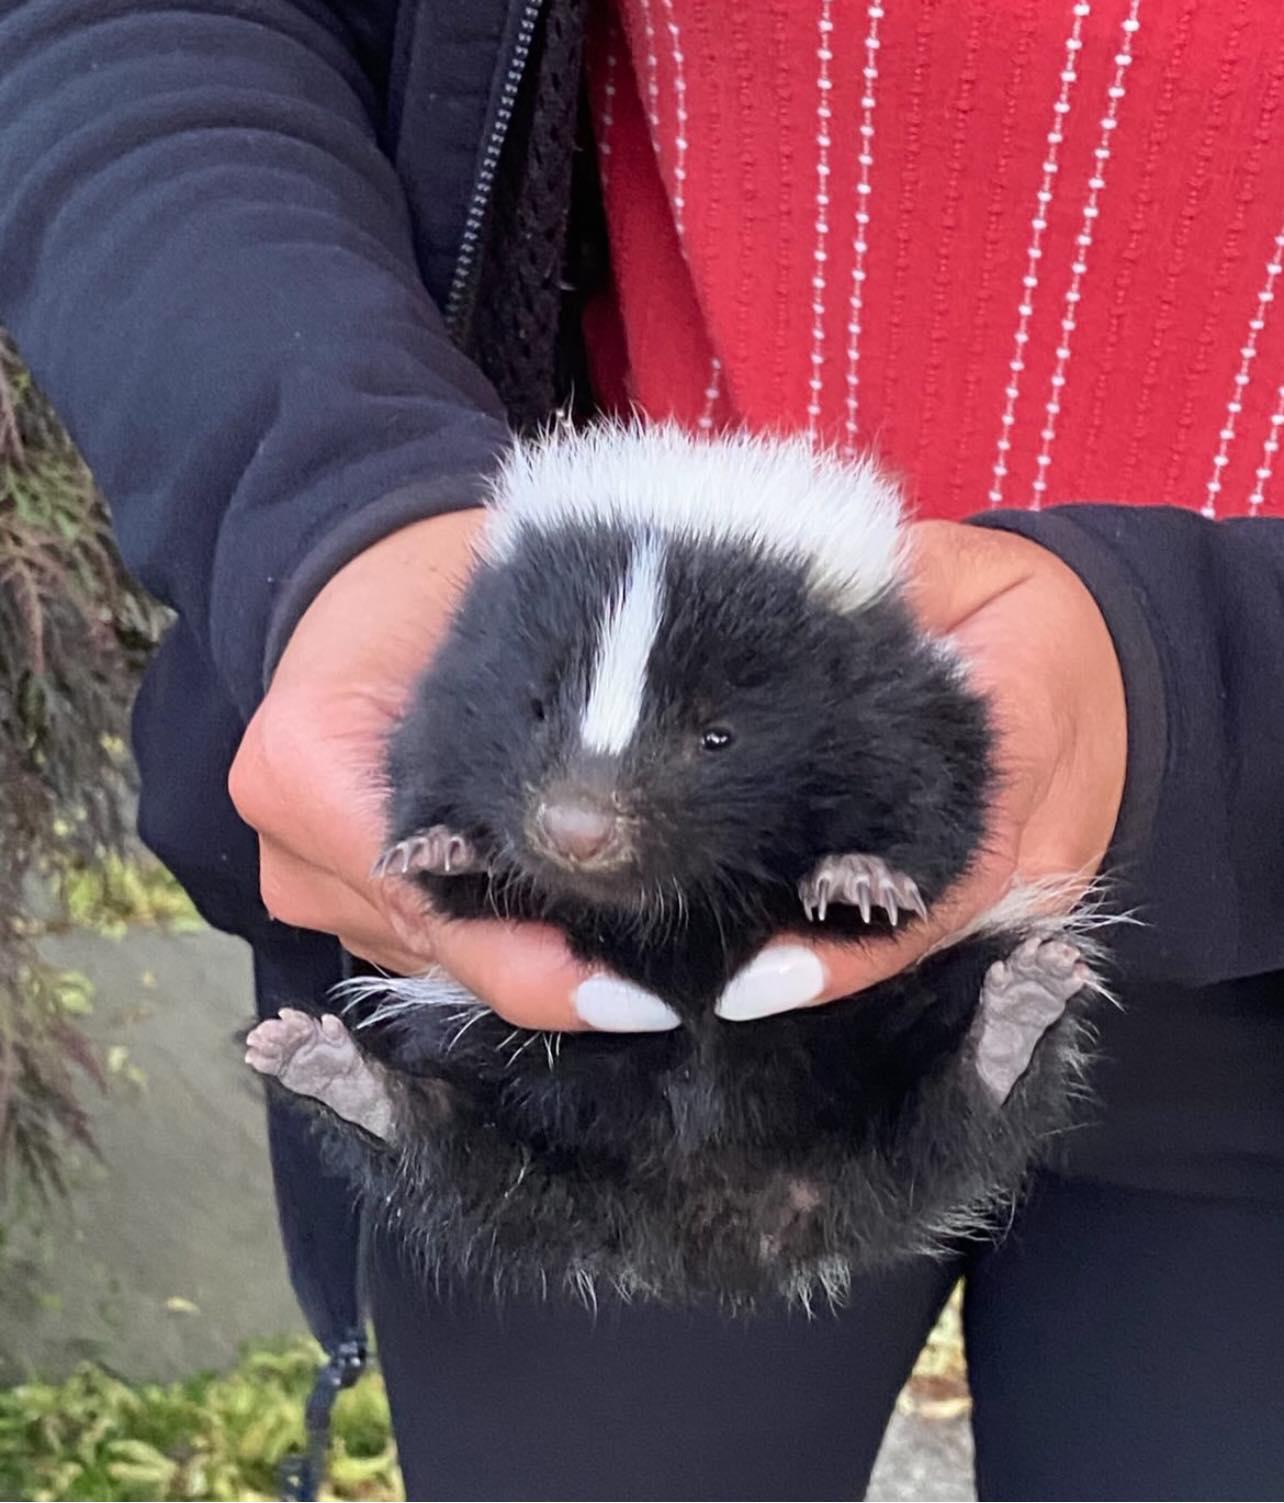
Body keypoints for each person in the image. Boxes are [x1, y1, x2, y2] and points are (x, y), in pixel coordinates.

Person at [2, 1, 1282, 1497]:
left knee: (880, 1128)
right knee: (559, 1158)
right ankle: (410, 1116)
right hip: (607, 977)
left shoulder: (862, 717)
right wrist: (334, 520)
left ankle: (973, 1058)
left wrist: (1200, 677)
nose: (586, 813)